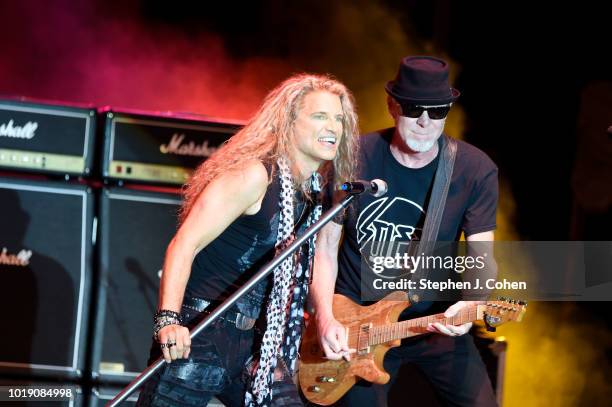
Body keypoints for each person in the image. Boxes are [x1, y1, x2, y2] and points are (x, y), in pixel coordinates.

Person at [136, 73, 359, 407]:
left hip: (259, 342)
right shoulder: (254, 175)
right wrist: (168, 320)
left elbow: (323, 256)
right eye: (320, 116)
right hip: (202, 330)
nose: (333, 127)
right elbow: (185, 243)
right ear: (289, 122)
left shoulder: (315, 195)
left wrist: (325, 318)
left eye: (338, 118)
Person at [310, 56, 499, 406]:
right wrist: (324, 317)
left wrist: (473, 301)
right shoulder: (353, 157)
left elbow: (482, 255)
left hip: (434, 324)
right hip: (360, 325)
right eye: (414, 109)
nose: (425, 122)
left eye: (437, 111)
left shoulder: (473, 170)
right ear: (392, 106)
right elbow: (324, 249)